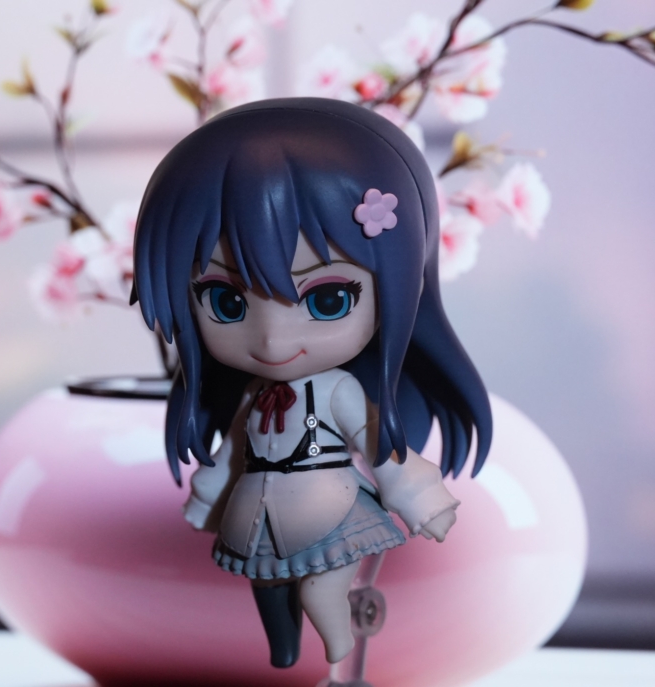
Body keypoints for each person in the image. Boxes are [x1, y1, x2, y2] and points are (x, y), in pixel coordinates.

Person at [131, 97, 492, 669]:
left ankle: (338, 650)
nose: (272, 340)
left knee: (323, 590)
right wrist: (206, 499)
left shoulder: (339, 393)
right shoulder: (251, 399)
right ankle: (286, 652)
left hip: (331, 508)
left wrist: (422, 502)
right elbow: (232, 453)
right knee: (268, 587)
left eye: (327, 300)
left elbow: (383, 448)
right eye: (225, 301)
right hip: (258, 511)